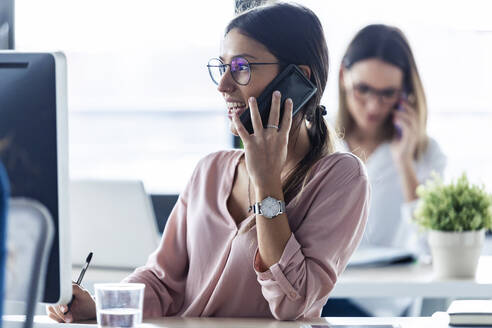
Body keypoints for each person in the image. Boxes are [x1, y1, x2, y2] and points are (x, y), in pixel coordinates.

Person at [48, 3, 369, 321]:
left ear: (297, 79)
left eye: (242, 67)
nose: (223, 85)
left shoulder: (340, 176)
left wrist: (267, 183)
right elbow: (162, 282)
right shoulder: (210, 171)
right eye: (223, 66)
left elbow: (292, 304)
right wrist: (101, 307)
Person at [322, 24, 447, 317]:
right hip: (324, 294)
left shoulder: (426, 155)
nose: (373, 106)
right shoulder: (320, 141)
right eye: (362, 89)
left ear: (405, 93)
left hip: (383, 305)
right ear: (343, 77)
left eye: (387, 93)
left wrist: (404, 164)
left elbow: (433, 248)